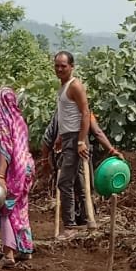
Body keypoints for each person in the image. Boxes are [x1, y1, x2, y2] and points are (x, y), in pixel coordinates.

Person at [40, 111, 122, 227]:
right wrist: (111, 150)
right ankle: (85, 220)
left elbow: (48, 139)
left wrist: (45, 160)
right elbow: (97, 132)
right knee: (82, 188)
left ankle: (73, 223)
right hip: (78, 154)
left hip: (70, 155)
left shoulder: (64, 112)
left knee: (69, 187)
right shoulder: (83, 112)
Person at [0, 78, 36, 266]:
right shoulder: (19, 119)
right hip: (27, 167)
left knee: (5, 207)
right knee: (21, 208)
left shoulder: (3, 122)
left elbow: (6, 149)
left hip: (12, 169)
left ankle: (8, 254)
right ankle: (25, 248)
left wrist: (0, 175)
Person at [52, 51, 92, 230]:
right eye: (57, 65)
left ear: (71, 67)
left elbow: (85, 113)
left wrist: (81, 141)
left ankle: (70, 225)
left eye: (63, 66)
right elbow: (68, 115)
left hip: (76, 138)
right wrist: (61, 136)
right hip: (69, 137)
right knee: (78, 182)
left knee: (64, 182)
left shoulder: (75, 85)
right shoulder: (63, 86)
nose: (59, 69)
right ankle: (85, 219)